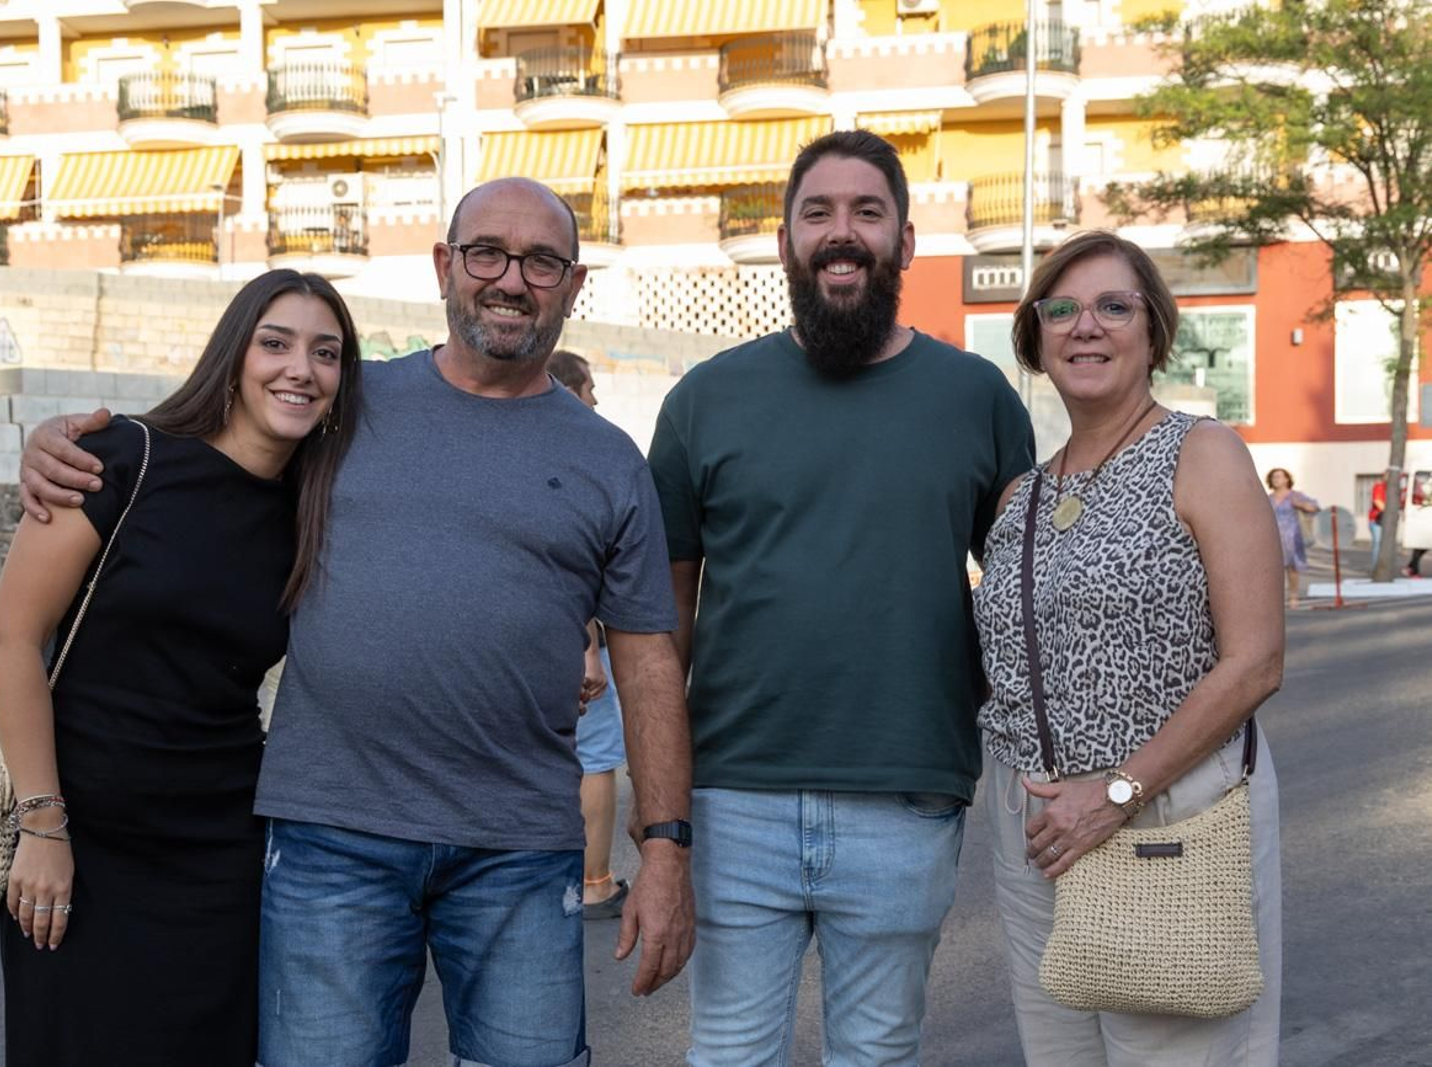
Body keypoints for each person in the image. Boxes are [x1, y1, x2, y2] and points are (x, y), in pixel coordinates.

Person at [18, 177, 695, 1067]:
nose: (511, 279)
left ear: (573, 284)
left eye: (542, 262)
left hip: (519, 847)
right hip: (330, 840)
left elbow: (648, 664)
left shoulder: (610, 462)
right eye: (487, 253)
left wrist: (666, 848)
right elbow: (206, 457)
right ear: (444, 267)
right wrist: (65, 446)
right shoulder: (341, 411)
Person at [647, 130, 1034, 1062]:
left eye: (868, 211)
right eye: (817, 212)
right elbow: (662, 631)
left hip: (906, 797)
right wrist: (661, 818)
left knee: (877, 1051)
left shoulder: (977, 397)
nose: (841, 232)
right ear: (785, 239)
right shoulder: (704, 399)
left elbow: (1028, 602)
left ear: (905, 241)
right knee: (731, 1050)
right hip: (735, 796)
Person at [0, 269, 358, 1065]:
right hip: (81, 842)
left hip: (221, 852)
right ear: (234, 355)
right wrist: (43, 825)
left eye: (325, 353)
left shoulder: (316, 512)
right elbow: (13, 636)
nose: (300, 368)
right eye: (276, 343)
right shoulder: (124, 457)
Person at [973, 230, 1284, 1065]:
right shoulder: (1023, 496)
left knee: (1180, 1051)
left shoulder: (1204, 454)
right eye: (1062, 309)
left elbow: (1255, 661)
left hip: (1167, 808)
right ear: (1035, 338)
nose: (1086, 327)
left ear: (1154, 330)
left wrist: (1116, 791)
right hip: (1035, 827)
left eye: (1115, 306)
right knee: (1058, 1052)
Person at [548, 348, 632, 918]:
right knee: (598, 758)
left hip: (539, 642)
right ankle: (594, 881)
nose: (596, 398)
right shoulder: (572, 457)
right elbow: (570, 564)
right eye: (588, 387)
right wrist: (590, 650)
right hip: (578, 643)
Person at [1267, 467, 1319, 607]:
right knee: (1274, 568)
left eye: (1279, 476)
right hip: (1273, 537)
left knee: (1292, 567)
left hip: (1292, 535)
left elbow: (1314, 507)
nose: (1276, 479)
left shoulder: (1294, 495)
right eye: (1274, 477)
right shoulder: (1268, 498)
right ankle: (1276, 598)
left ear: (1286, 479)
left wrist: (1300, 505)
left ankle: (1293, 596)